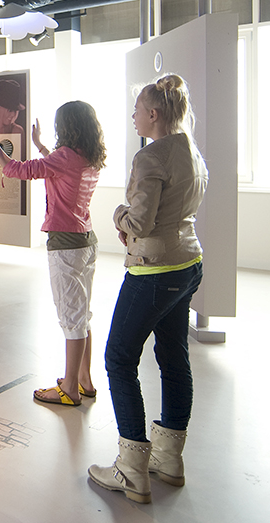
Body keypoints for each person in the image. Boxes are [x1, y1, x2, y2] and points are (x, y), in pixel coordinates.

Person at [88, 74, 207, 505]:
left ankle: (132, 468)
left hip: (154, 270)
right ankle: (169, 459)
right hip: (188, 263)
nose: (133, 116)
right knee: (174, 356)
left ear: (153, 114)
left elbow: (139, 221)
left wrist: (119, 215)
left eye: (137, 110)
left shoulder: (150, 156)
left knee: (119, 358)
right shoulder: (190, 149)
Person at [0, 101, 106, 408]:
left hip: (65, 244)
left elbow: (15, 170)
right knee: (82, 315)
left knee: (72, 318)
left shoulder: (64, 157)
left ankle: (70, 389)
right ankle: (84, 380)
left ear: (67, 126)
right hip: (86, 240)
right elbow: (60, 167)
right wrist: (39, 145)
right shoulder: (89, 156)